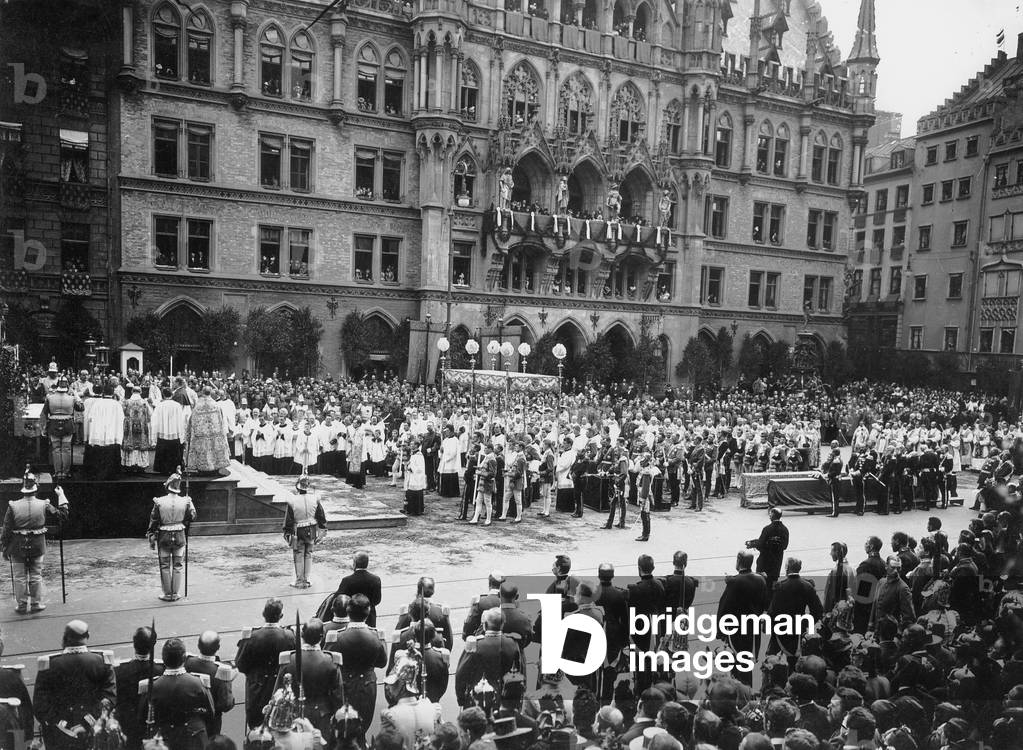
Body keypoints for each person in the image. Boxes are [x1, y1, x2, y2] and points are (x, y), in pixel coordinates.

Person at [33, 620, 117, 750]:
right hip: (92, 732)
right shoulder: (102, 662)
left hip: (59, 734)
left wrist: (62, 724)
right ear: (87, 636)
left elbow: (40, 705)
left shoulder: (49, 665)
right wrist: (87, 722)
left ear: (65, 637)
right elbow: (109, 699)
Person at [0, 467, 70, 613]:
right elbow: (62, 515)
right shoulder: (44, 504)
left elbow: (6, 530)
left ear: (23, 488)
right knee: (36, 575)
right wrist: (61, 495)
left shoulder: (13, 506)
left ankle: (21, 605)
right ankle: (36, 604)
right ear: (36, 488)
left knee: (19, 576)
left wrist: (4, 548)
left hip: (17, 546)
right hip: (37, 545)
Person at [328, 594, 388, 742]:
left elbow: (329, 662)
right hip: (367, 685)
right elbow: (382, 662)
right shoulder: (375, 635)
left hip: (344, 684)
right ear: (368, 612)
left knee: (343, 726)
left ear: (348, 611)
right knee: (363, 725)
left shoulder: (337, 637)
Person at [140, 638, 216, 750]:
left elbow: (142, 717)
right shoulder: (197, 683)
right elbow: (211, 712)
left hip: (164, 741)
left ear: (163, 659)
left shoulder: (153, 687)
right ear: (184, 658)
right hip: (192, 740)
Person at [274, 619, 343, 742]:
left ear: (302, 635)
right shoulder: (331, 661)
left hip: (294, 715)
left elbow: (278, 693)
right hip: (322, 716)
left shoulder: (288, 660)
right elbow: (338, 697)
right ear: (322, 637)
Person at [235, 598, 294, 729]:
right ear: (281, 616)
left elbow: (240, 664)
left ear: (263, 614)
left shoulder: (251, 637)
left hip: (257, 687)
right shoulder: (289, 636)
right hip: (280, 687)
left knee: (256, 725)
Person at [716, 551, 769, 686]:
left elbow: (724, 607)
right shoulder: (761, 580)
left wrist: (720, 631)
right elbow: (764, 604)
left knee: (736, 665)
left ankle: (740, 692)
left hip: (737, 631)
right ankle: (747, 690)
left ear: (739, 561)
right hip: (753, 630)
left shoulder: (734, 582)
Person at [147, 468, 197, 602]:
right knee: (178, 565)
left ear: (167, 486)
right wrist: (189, 505)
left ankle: (167, 594)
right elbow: (192, 517)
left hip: (164, 536)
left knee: (164, 565)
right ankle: (175, 594)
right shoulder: (186, 501)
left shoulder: (159, 501)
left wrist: (151, 535)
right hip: (179, 535)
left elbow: (154, 520)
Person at [115, 626, 164, 750]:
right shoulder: (161, 670)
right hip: (151, 726)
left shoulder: (119, 670)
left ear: (134, 644)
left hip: (128, 726)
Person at [766, 558, 823, 662]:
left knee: (772, 660)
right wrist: (805, 623)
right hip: (799, 630)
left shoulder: (780, 586)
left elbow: (772, 612)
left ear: (787, 568)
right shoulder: (808, 586)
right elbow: (817, 610)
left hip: (781, 629)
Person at [184, 631, 237, 737]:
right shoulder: (222, 671)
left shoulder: (187, 662)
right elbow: (226, 704)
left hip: (188, 718)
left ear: (198, 646)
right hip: (211, 723)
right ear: (218, 647)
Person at [283, 473, 328, 588]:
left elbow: (289, 520)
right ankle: (307, 580)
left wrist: (287, 532)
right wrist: (322, 530)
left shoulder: (292, 501)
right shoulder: (314, 499)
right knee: (308, 554)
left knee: (299, 554)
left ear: (297, 486)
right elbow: (321, 516)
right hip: (312, 530)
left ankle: (299, 581)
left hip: (298, 531)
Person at [183, 385, 231, 474]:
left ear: (202, 392)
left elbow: (191, 421)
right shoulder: (216, 405)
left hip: (201, 435)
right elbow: (222, 421)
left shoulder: (197, 406)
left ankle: (202, 469)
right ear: (211, 393)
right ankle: (215, 468)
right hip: (214, 434)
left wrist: (189, 432)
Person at [337, 551, 383, 627]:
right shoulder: (375, 580)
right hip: (369, 616)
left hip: (350, 617)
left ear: (354, 563)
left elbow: (340, 600)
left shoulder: (347, 581)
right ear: (367, 563)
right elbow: (377, 600)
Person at [41, 377, 76, 479]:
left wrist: (44, 427)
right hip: (68, 424)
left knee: (56, 449)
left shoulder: (50, 397)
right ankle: (66, 472)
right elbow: (81, 408)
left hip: (54, 424)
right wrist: (75, 394)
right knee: (66, 449)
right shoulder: (72, 398)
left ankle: (57, 472)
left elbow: (45, 412)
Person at [748, 507, 789, 589]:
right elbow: (785, 546)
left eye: (770, 514)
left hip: (765, 562)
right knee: (773, 585)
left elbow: (760, 544)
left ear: (773, 515)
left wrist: (753, 544)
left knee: (762, 585)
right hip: (777, 562)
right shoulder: (785, 529)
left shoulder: (767, 529)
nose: (769, 516)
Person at [151, 388, 187, 474]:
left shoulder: (160, 405)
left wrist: (154, 435)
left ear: (163, 395)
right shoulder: (177, 405)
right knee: (174, 452)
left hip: (162, 432)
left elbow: (154, 420)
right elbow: (181, 420)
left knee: (163, 452)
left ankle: (163, 469)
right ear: (172, 394)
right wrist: (182, 434)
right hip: (174, 432)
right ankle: (174, 468)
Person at [405, 440, 427, 516]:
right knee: (410, 491)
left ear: (416, 445)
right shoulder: (413, 454)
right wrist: (408, 465)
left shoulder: (419, 455)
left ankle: (417, 510)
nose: (411, 445)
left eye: (412, 444)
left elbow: (420, 467)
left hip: (417, 477)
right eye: (410, 444)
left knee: (416, 492)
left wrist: (412, 468)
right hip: (412, 476)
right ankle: (410, 509)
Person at [439, 425, 461, 498]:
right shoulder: (445, 440)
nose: (446, 432)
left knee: (451, 477)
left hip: (452, 462)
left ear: (451, 431)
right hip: (445, 461)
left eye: (447, 431)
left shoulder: (455, 440)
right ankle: (444, 492)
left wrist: (446, 457)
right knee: (445, 477)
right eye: (445, 431)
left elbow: (453, 452)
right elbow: (442, 450)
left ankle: (452, 493)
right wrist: (441, 451)